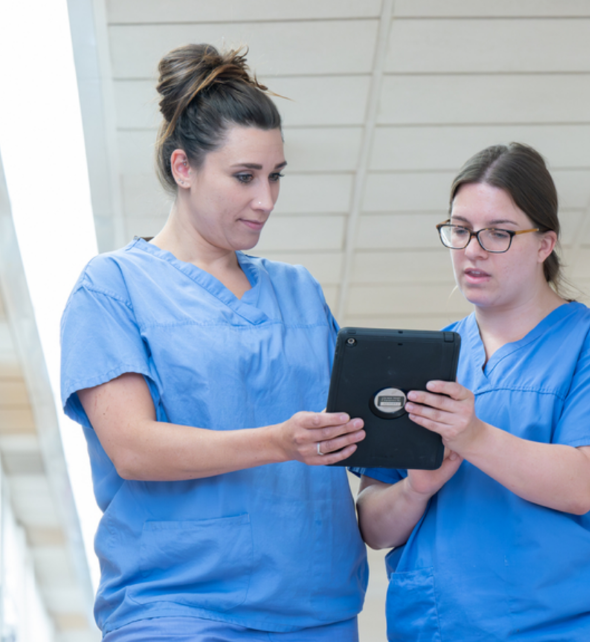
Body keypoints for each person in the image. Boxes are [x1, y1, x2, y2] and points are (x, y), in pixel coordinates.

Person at [59, 44, 368, 641]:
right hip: (178, 609)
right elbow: (133, 447)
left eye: (275, 176)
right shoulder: (113, 286)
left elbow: (363, 447)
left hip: (320, 612)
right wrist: (279, 441)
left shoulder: (299, 293)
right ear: (183, 168)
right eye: (245, 177)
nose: (266, 199)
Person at [354, 143, 590, 641]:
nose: (472, 248)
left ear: (545, 244)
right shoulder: (424, 362)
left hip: (571, 627)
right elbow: (373, 525)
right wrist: (416, 489)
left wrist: (471, 436)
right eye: (460, 230)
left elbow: (582, 486)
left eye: (498, 233)